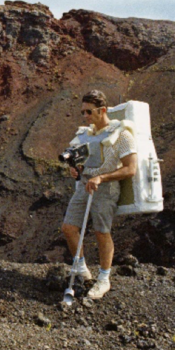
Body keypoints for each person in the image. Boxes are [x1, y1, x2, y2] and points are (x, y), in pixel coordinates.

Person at [60, 90, 137, 300]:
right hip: (85, 185)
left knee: (101, 232)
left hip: (106, 186)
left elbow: (131, 169)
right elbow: (77, 161)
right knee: (69, 227)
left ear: (102, 110)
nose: (85, 116)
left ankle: (104, 279)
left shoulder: (121, 135)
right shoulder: (86, 135)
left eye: (89, 111)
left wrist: (102, 178)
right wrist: (74, 170)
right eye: (82, 112)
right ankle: (82, 269)